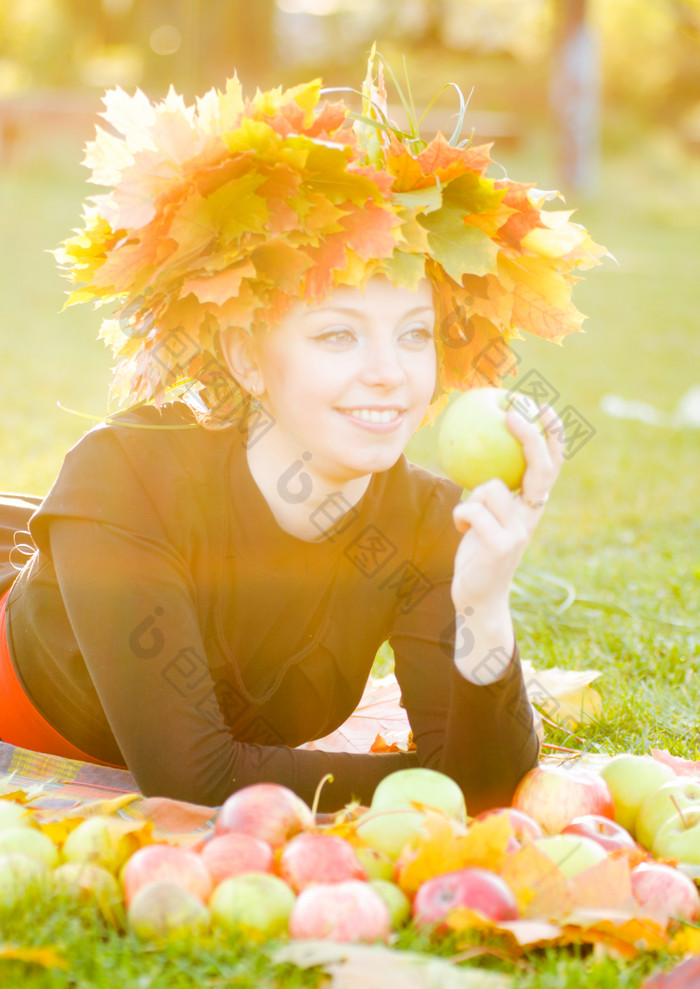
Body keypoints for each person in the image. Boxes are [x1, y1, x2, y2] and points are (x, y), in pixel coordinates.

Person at [0, 63, 605, 813]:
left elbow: (485, 784)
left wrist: (483, 609)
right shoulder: (124, 475)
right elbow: (192, 781)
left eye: (413, 334)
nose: (390, 373)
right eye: (338, 335)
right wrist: (427, 784)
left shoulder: (427, 523)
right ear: (248, 357)